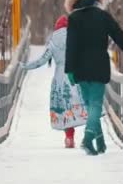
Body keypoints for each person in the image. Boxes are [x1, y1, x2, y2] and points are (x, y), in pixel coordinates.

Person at [64, 0, 123, 155]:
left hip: (80, 69)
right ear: (95, 0)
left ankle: (98, 143)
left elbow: (71, 45)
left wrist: (69, 69)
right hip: (99, 65)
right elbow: (119, 36)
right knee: (96, 105)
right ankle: (88, 139)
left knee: (91, 105)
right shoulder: (103, 16)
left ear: (75, 2)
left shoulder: (73, 18)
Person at [21, 15, 88, 148]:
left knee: (64, 108)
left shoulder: (53, 42)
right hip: (76, 75)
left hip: (60, 78)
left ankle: (69, 137)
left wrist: (25, 66)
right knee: (81, 104)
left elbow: (41, 61)